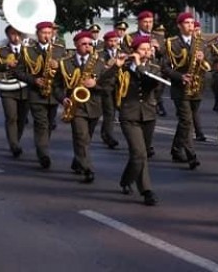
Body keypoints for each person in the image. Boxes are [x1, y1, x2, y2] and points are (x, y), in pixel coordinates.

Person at [105, 35, 164, 206]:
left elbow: (150, 84)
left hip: (148, 114)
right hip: (129, 115)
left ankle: (125, 180)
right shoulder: (122, 69)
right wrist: (114, 67)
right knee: (139, 154)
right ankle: (146, 191)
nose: (146, 52)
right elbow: (104, 84)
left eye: (148, 49)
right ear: (134, 51)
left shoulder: (154, 68)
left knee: (141, 154)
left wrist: (138, 65)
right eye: (142, 49)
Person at [13, 21, 68, 169]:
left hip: (54, 94)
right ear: (38, 34)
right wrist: (34, 80)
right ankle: (43, 154)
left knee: (49, 124)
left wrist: (60, 66)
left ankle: (42, 147)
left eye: (49, 33)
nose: (47, 36)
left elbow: (69, 70)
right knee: (41, 124)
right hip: (36, 94)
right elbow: (18, 72)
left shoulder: (60, 49)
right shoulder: (28, 50)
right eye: (44, 33)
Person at [56, 31, 108, 184]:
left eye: (90, 44)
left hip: (94, 106)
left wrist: (96, 84)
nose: (88, 47)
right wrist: (62, 98)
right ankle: (88, 169)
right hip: (76, 105)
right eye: (84, 44)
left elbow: (108, 85)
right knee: (81, 137)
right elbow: (57, 86)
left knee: (86, 138)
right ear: (76, 45)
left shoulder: (99, 62)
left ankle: (77, 160)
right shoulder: (65, 62)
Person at [163, 12, 208, 170]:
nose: (190, 25)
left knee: (184, 122)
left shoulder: (201, 43)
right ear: (179, 25)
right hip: (180, 88)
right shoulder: (171, 43)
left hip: (197, 87)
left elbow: (208, 66)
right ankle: (191, 156)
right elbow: (165, 67)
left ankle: (176, 149)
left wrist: (203, 60)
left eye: (192, 23)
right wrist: (180, 77)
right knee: (187, 121)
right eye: (187, 23)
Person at [0, 25, 29, 157]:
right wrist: (5, 64)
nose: (15, 37)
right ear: (8, 36)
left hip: (25, 89)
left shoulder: (29, 50)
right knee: (11, 117)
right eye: (12, 34)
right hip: (8, 89)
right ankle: (14, 145)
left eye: (18, 34)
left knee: (21, 119)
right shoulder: (0, 51)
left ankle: (15, 140)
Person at [98, 30, 123, 149]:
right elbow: (98, 70)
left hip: (120, 87)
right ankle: (108, 136)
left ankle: (105, 133)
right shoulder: (100, 54)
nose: (113, 44)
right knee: (109, 112)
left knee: (120, 111)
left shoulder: (122, 53)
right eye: (110, 41)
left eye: (115, 41)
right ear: (106, 42)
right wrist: (108, 65)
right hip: (106, 86)